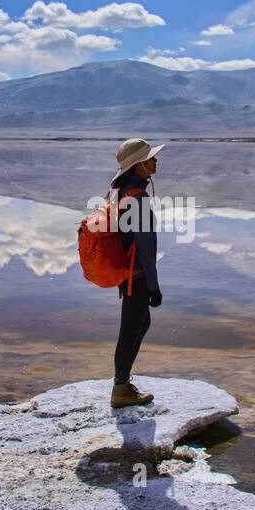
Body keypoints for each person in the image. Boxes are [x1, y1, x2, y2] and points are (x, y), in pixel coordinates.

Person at [109, 138, 164, 409]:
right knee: (131, 329)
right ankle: (120, 389)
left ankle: (122, 384)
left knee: (140, 324)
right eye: (151, 157)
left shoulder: (124, 192)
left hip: (129, 276)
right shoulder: (138, 198)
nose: (156, 161)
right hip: (137, 277)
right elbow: (145, 245)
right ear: (140, 165)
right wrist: (153, 286)